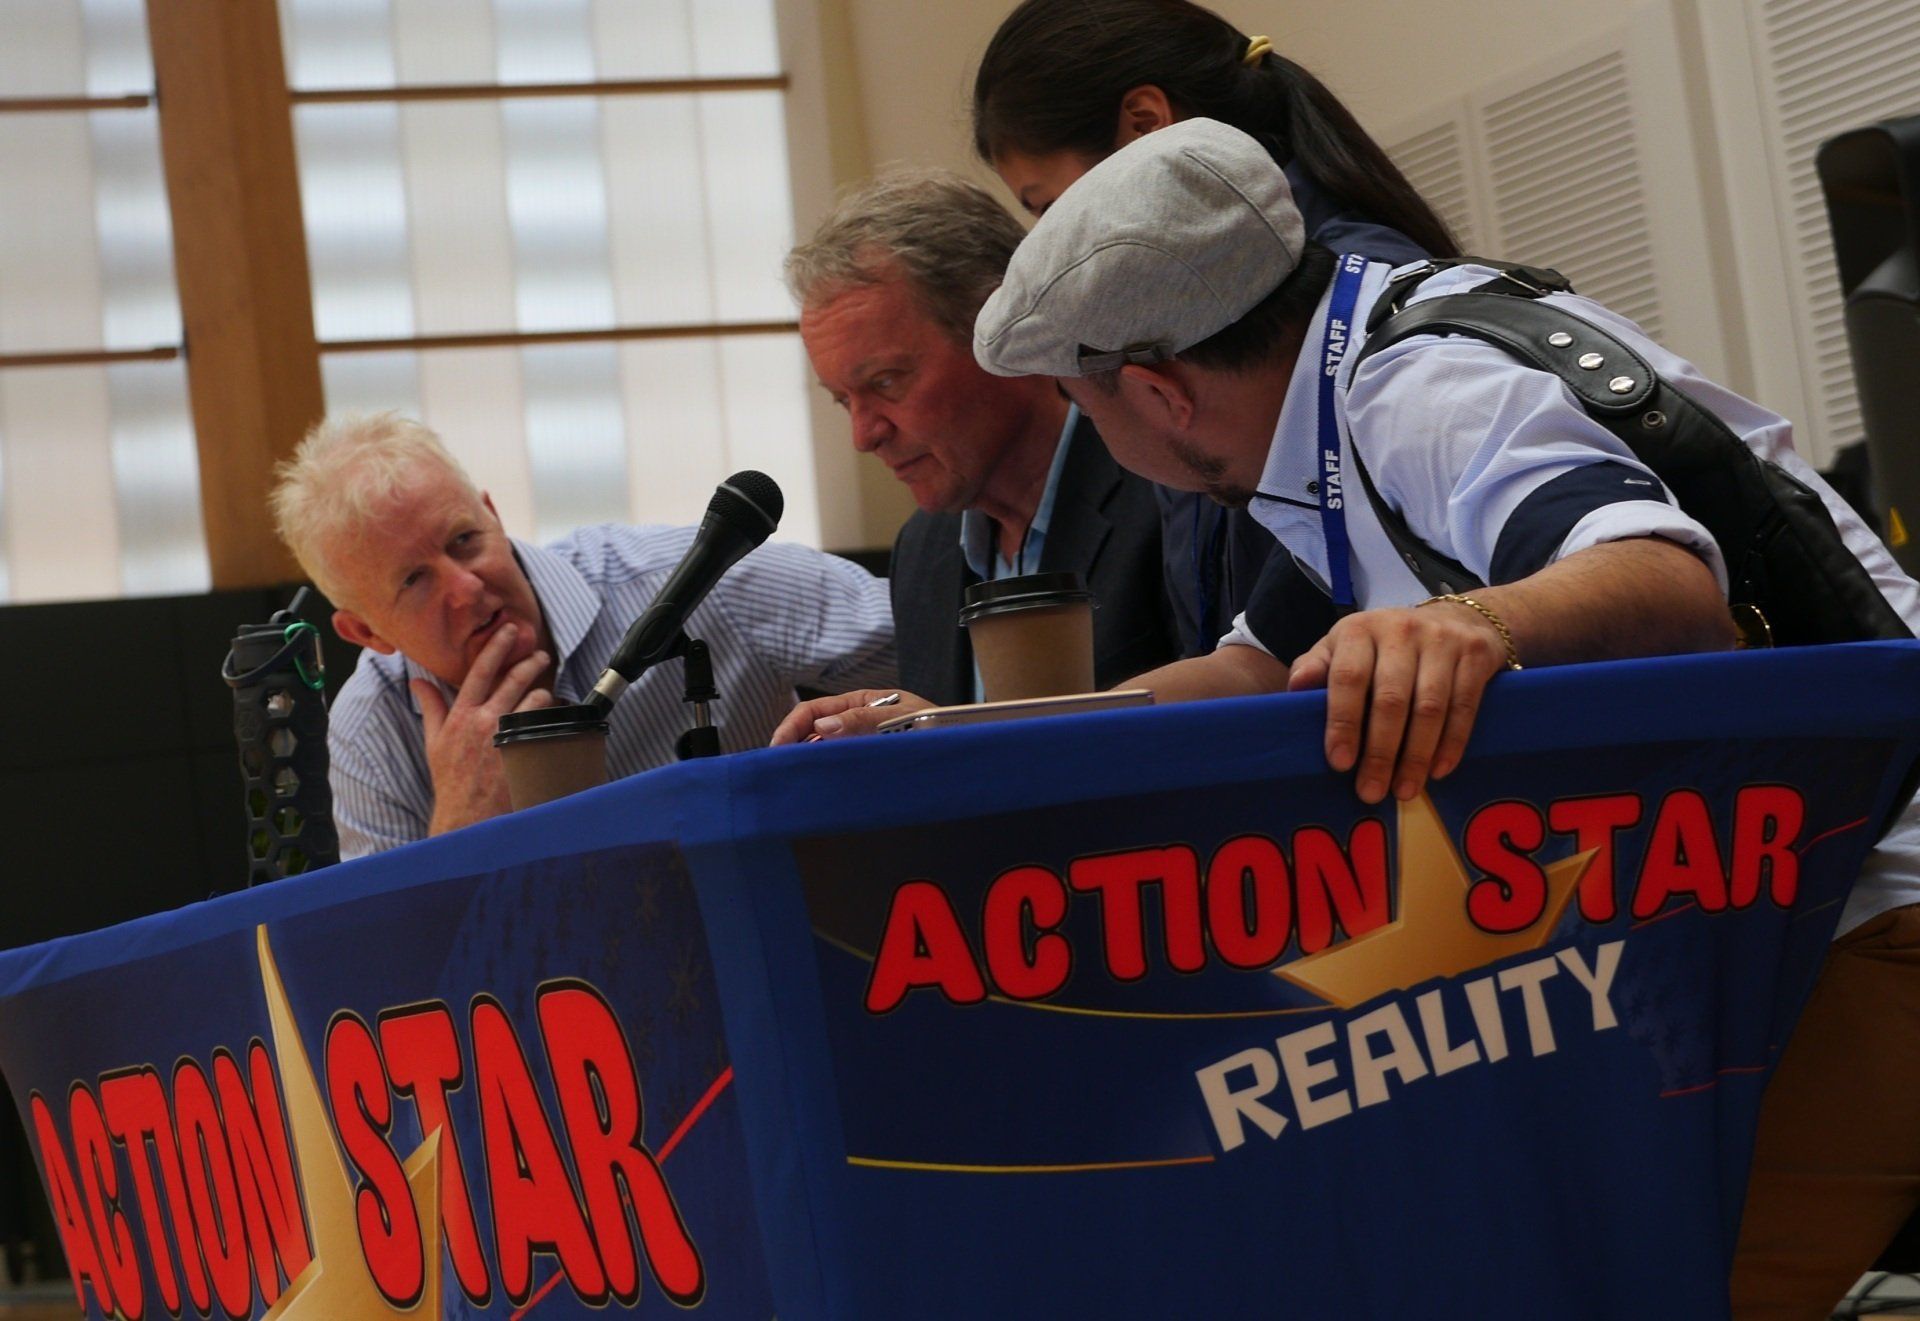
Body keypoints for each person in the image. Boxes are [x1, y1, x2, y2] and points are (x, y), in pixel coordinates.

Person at [969, 117, 1920, 1320]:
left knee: (1633, 1289)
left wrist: (1474, 623)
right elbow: (1252, 672)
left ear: (1159, 393)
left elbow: (1668, 579)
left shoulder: (1421, 391)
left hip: (1880, 891)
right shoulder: (1325, 393)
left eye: (1081, 404)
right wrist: (958, 739)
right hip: (1766, 906)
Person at [971, 0, 1457, 655]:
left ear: (1146, 124)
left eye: (1052, 208)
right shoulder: (1179, 311)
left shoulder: (1361, 311)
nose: (1053, 242)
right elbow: (1246, 649)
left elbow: (1299, 645)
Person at [269, 412, 897, 857]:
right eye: (414, 580)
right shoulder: (372, 727)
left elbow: (936, 646)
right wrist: (461, 828)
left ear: (494, 514)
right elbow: (395, 975)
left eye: (464, 539)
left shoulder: (693, 582)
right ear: (365, 631)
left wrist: (886, 731)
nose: (465, 588)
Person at [783, 168, 1180, 712]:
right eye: (843, 401)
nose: (864, 435)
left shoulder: (1169, 491)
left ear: (1004, 331)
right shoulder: (923, 551)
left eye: (886, 383)